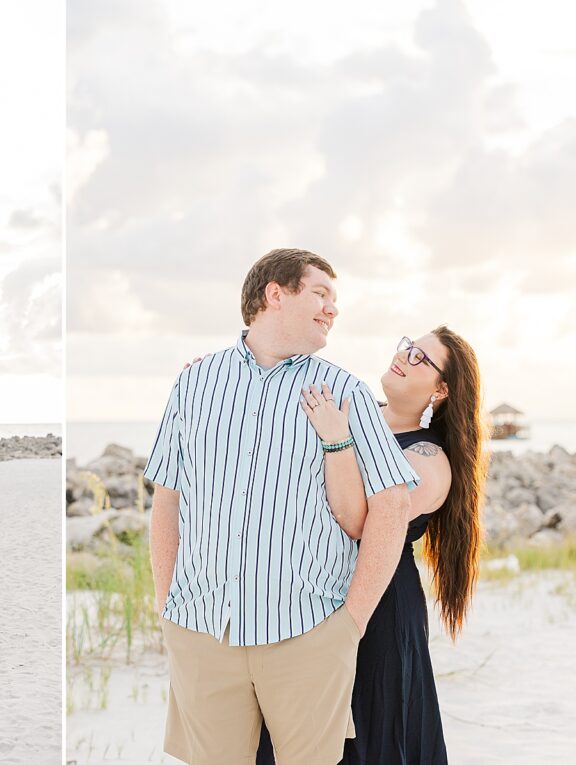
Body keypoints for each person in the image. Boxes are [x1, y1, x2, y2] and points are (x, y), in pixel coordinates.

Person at [144, 248, 420, 765]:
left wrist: (350, 624)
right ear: (275, 293)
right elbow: (167, 498)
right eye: (320, 294)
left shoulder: (344, 392)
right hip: (201, 629)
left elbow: (393, 504)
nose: (332, 309)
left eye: (335, 300)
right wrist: (167, 606)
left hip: (307, 633)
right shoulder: (194, 383)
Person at [255, 327, 487, 765]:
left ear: (441, 390)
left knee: (366, 737)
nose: (405, 356)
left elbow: (361, 523)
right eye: (409, 347)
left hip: (378, 603)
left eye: (422, 359)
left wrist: (336, 440)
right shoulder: (353, 412)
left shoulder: (428, 462)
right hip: (309, 592)